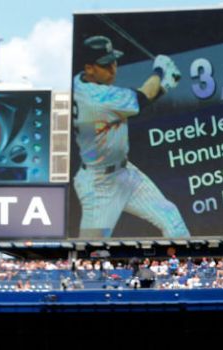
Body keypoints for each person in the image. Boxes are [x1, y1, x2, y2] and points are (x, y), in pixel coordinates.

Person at [72, 35, 190, 238]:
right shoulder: (95, 99)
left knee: (171, 218)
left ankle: (188, 267)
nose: (112, 69)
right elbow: (142, 97)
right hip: (98, 184)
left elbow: (134, 103)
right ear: (89, 68)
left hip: (124, 173)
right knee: (91, 254)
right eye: (105, 65)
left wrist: (165, 85)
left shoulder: (79, 83)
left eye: (113, 62)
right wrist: (160, 71)